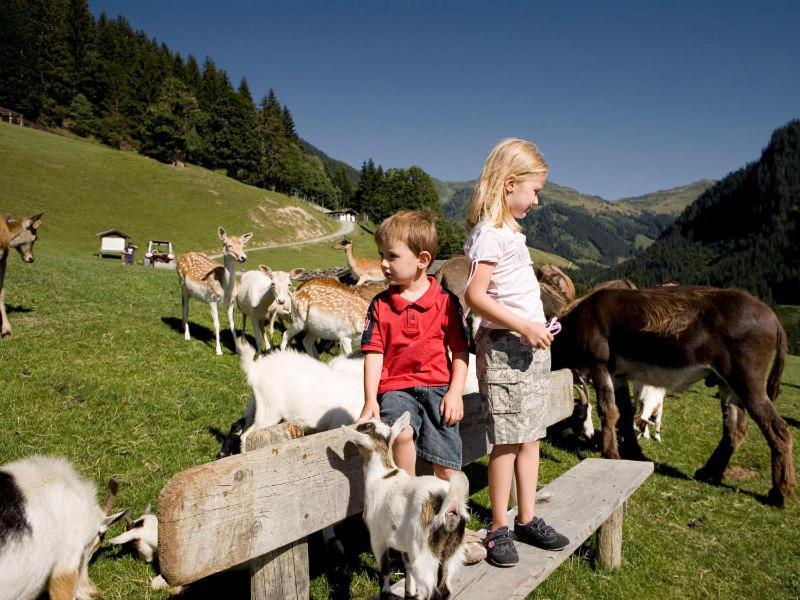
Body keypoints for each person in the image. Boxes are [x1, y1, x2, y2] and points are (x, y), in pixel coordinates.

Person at [358, 209, 486, 564]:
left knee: (448, 465)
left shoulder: (445, 303)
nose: (383, 263)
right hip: (396, 388)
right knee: (400, 434)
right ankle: (411, 513)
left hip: (437, 388)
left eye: (391, 256)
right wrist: (371, 400)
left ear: (422, 260)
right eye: (382, 254)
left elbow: (461, 351)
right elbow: (373, 352)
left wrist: (456, 392)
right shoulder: (380, 305)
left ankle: (453, 531)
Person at [464, 138, 569, 567]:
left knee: (530, 436)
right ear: (510, 184)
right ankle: (498, 527)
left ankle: (526, 518)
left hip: (528, 349)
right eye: (535, 190)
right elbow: (475, 295)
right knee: (506, 441)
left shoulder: (509, 232)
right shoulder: (490, 234)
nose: (538, 199)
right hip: (507, 351)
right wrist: (523, 324)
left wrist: (538, 327)